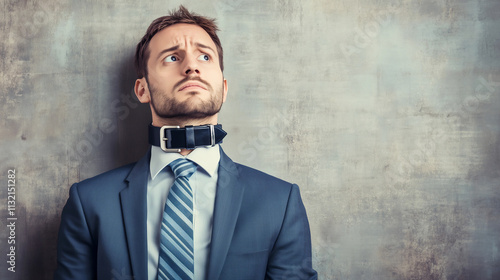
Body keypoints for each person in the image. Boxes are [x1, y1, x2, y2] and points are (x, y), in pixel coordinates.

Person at [55, 5, 317, 280]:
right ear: (142, 90)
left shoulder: (280, 202)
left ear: (223, 87)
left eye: (205, 56)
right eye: (171, 58)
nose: (191, 66)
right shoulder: (89, 202)